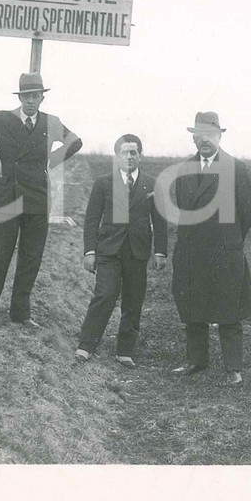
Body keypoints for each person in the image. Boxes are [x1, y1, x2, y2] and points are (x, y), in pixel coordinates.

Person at [0, 72, 82, 329]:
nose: (31, 101)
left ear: (41, 98)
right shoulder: (2, 119)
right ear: (20, 97)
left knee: (31, 258)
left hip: (37, 198)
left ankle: (21, 314)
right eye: (26, 96)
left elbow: (75, 142)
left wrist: (53, 160)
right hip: (7, 198)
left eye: (35, 96)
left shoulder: (51, 122)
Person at [169, 111, 251, 386]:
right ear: (194, 138)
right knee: (193, 306)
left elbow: (248, 210)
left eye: (210, 135)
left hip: (224, 251)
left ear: (219, 136)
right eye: (200, 135)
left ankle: (233, 367)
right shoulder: (184, 169)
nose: (204, 140)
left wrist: (230, 239)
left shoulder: (236, 168)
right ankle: (197, 360)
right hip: (191, 250)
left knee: (228, 309)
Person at [75, 134, 168, 367]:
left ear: (140, 155)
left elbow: (160, 220)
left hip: (137, 252)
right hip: (109, 251)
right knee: (105, 295)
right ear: (117, 156)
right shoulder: (103, 183)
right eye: (125, 152)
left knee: (133, 300)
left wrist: (160, 252)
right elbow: (91, 220)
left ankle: (124, 350)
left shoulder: (152, 184)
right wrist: (89, 251)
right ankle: (86, 346)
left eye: (134, 152)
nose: (129, 157)